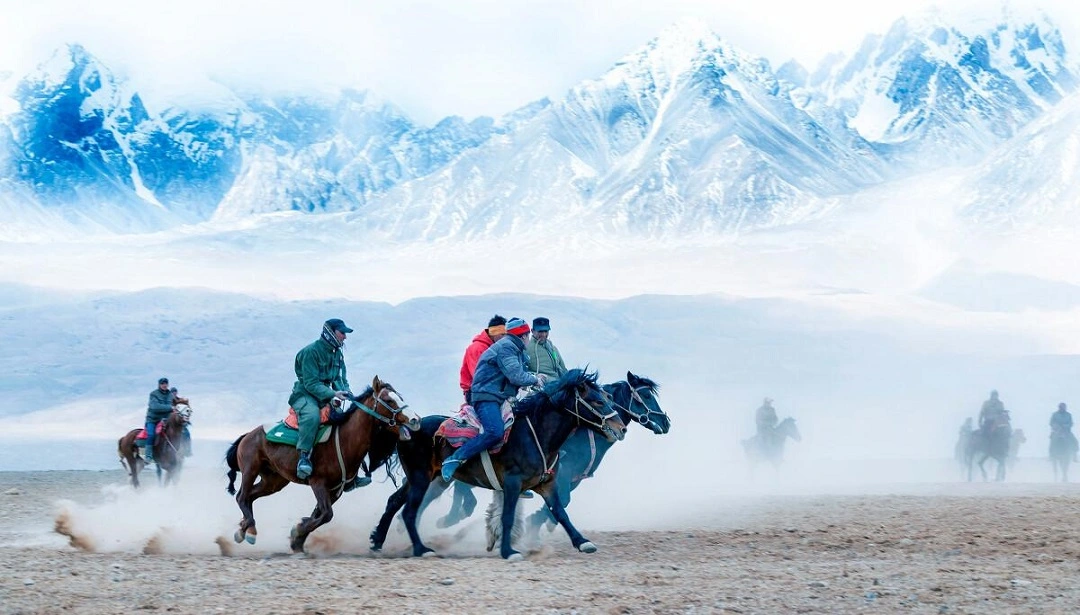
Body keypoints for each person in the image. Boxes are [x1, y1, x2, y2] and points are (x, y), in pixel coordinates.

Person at [441, 317, 542, 482]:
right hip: (487, 397)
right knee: (495, 431)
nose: (529, 339)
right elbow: (516, 376)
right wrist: (536, 379)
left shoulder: (512, 348)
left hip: (499, 396)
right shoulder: (507, 348)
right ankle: (455, 458)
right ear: (523, 336)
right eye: (528, 335)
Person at [290, 318, 353, 480]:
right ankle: (303, 457)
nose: (345, 337)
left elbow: (339, 378)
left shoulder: (337, 353)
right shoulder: (311, 352)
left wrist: (345, 391)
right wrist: (332, 394)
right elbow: (311, 383)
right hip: (305, 394)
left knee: (344, 418)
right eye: (342, 333)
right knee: (312, 416)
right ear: (330, 332)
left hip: (324, 394)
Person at [459, 315, 506, 404]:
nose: (504, 338)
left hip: (489, 389)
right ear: (493, 332)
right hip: (476, 392)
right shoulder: (477, 348)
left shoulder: (493, 348)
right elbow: (479, 376)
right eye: (502, 334)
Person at [144, 377, 180, 464]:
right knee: (151, 434)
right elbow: (155, 407)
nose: (164, 385)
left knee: (177, 433)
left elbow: (176, 404)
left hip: (165, 420)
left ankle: (177, 453)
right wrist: (170, 408)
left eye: (166, 383)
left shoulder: (170, 395)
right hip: (153, 420)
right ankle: (148, 456)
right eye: (162, 383)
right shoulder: (153, 394)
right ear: (159, 385)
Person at [526, 317, 567, 381]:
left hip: (559, 384)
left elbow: (564, 369)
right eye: (540, 331)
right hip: (544, 387)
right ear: (532, 331)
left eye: (546, 331)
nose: (544, 334)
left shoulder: (553, 348)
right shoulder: (526, 348)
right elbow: (522, 371)